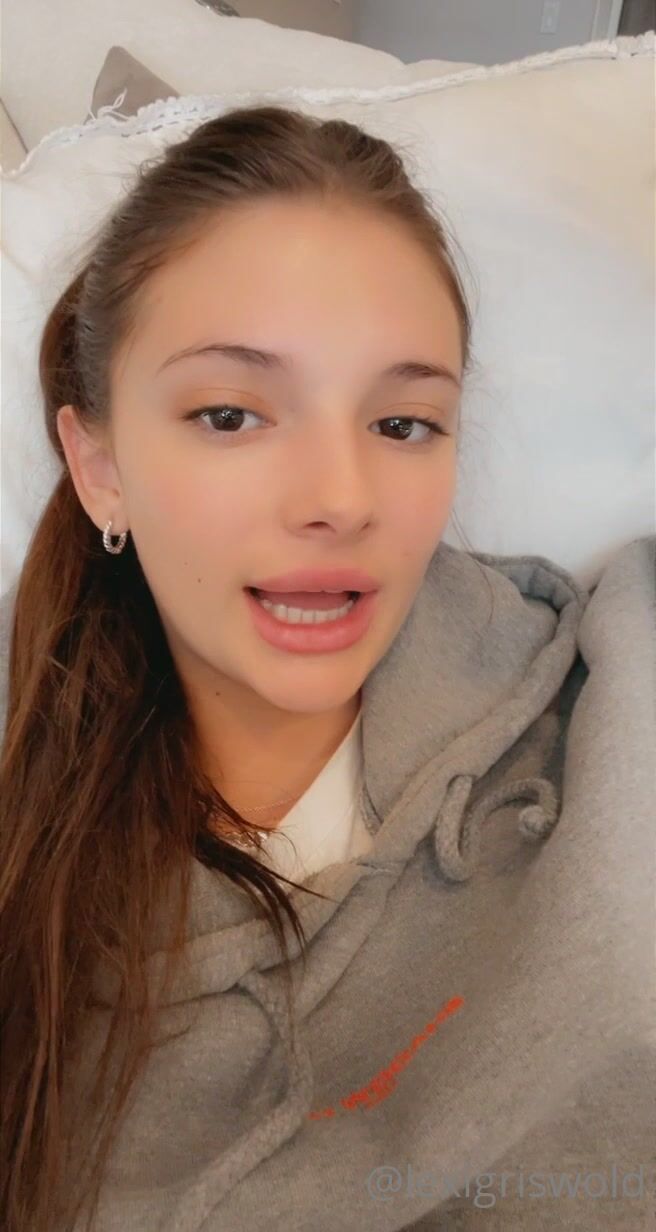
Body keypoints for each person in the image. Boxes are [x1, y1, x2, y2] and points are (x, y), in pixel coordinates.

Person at [0, 104, 653, 1232]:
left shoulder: (615, 712)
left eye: (403, 425)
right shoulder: (28, 824)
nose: (342, 501)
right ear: (99, 467)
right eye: (231, 414)